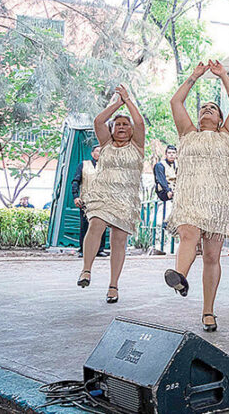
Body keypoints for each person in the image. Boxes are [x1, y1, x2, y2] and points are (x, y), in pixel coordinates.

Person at [163, 60, 229, 332]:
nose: (207, 109)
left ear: (220, 119)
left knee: (211, 257)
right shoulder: (188, 133)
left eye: (213, 108)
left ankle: (208, 311)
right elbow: (176, 102)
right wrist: (195, 75)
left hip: (218, 202)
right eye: (203, 108)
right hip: (190, 197)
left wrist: (223, 75)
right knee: (188, 233)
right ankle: (180, 277)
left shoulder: (227, 135)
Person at [78, 84, 145, 305]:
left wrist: (129, 101)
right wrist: (118, 103)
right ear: (112, 129)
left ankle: (113, 285)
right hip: (103, 194)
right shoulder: (106, 144)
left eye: (126, 124)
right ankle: (86, 270)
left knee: (119, 240)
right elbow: (98, 121)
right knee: (96, 224)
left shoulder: (137, 146)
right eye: (118, 124)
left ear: (132, 130)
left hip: (126, 199)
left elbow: (140, 123)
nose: (122, 127)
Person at [71, 146, 107, 258]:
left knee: (101, 225)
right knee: (85, 225)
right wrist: (75, 196)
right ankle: (83, 249)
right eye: (97, 151)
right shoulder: (83, 165)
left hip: (102, 201)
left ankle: (99, 249)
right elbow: (75, 181)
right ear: (92, 153)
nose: (100, 153)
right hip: (86, 201)